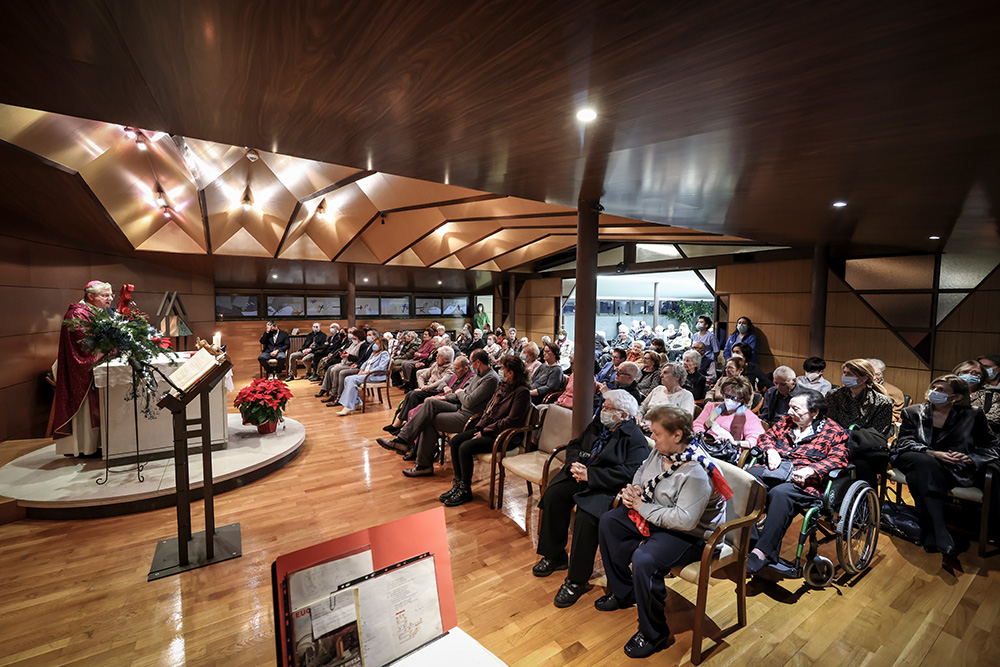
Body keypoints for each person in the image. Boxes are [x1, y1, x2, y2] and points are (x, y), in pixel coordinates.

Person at [597, 405, 731, 659]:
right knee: (609, 523)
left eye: (657, 434)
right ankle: (625, 593)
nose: (653, 438)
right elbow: (641, 472)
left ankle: (654, 633)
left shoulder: (696, 471)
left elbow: (685, 520)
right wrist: (635, 489)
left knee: (644, 559)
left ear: (677, 435)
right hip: (658, 514)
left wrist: (640, 505)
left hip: (692, 535)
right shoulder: (662, 452)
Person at [533, 390, 649, 608]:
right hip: (580, 474)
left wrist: (591, 475)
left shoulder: (634, 438)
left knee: (587, 517)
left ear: (623, 415)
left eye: (607, 408)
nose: (602, 410)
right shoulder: (599, 424)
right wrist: (575, 464)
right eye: (603, 406)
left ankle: (576, 579)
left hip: (605, 486)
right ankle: (554, 555)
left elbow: (630, 472)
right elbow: (575, 444)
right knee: (554, 495)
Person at [891, 375, 999, 557]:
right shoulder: (913, 411)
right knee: (925, 462)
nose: (935, 392)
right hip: (915, 457)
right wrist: (932, 452)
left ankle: (931, 529)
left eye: (942, 390)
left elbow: (992, 446)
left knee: (921, 475)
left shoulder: (972, 415)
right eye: (934, 387)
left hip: (950, 467)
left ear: (956, 397)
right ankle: (941, 529)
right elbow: (904, 441)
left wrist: (970, 458)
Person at [745, 391, 850, 574]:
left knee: (780, 494)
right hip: (777, 470)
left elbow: (839, 459)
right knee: (746, 481)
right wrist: (771, 451)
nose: (789, 412)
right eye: (789, 407)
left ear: (814, 412)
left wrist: (812, 470)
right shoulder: (786, 423)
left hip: (806, 481)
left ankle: (762, 552)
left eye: (795, 408)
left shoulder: (834, 431)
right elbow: (766, 438)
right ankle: (747, 539)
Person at [382, 349, 498, 475]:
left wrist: (459, 393)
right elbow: (461, 395)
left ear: (478, 363)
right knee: (430, 402)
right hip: (461, 408)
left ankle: (419, 461)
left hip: (470, 417)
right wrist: (452, 395)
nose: (470, 366)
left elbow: (469, 401)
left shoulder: (490, 378)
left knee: (429, 419)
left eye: (471, 363)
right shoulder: (479, 375)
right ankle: (404, 441)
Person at [439, 356, 532, 506]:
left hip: (505, 436)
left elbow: (511, 421)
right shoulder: (503, 386)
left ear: (510, 373)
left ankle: (465, 490)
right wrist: (480, 427)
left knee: (465, 447)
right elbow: (488, 411)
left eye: (502, 369)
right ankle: (458, 483)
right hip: (491, 429)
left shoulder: (522, 392)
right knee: (456, 441)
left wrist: (485, 431)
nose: (500, 371)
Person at [53, 280, 113, 457]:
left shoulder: (98, 312)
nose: (109, 299)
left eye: (111, 295)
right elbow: (84, 345)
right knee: (86, 408)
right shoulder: (77, 314)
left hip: (96, 366)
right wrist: (112, 347)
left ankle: (96, 445)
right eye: (105, 295)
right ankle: (84, 448)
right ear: (91, 296)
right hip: (81, 369)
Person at [826, 358, 893, 487]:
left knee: (861, 465)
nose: (844, 377)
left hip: (865, 449)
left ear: (864, 378)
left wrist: (851, 438)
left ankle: (866, 503)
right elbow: (829, 423)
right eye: (844, 373)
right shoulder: (833, 396)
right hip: (836, 444)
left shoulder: (881, 402)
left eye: (849, 374)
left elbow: (878, 433)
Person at [382, 354, 471, 436]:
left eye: (439, 356)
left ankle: (405, 431)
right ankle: (402, 425)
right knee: (411, 394)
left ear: (446, 359)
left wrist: (434, 391)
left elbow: (455, 392)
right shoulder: (440, 366)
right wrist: (425, 387)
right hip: (436, 390)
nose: (436, 358)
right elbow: (440, 383)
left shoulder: (454, 371)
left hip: (438, 393)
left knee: (418, 397)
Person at [694, 375, 766, 451]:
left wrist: (735, 443)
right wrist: (702, 435)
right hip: (703, 447)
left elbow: (756, 439)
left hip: (727, 452)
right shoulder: (711, 407)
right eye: (727, 396)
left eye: (735, 398)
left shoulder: (749, 417)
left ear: (743, 399)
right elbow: (697, 424)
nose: (729, 400)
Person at [334, 336, 390, 415]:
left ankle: (348, 406)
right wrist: (361, 370)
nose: (375, 345)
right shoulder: (374, 353)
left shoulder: (384, 354)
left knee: (352, 379)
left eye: (377, 343)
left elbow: (381, 367)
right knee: (347, 379)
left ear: (382, 345)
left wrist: (367, 372)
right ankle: (357, 402)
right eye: (375, 343)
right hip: (367, 374)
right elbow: (366, 362)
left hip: (375, 376)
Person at [639, 361, 695, 428]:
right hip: (642, 425)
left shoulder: (686, 395)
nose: (661, 375)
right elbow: (642, 407)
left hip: (663, 432)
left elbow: (684, 421)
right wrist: (638, 417)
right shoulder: (658, 389)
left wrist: (655, 427)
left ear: (677, 377)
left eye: (665, 373)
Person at [954, 359, 1000, 434]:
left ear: (982, 376)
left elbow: (996, 418)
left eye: (975, 373)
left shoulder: (992, 396)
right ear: (958, 373)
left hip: (980, 441)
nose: (969, 375)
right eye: (965, 372)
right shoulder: (948, 393)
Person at [867, 358, 905, 422]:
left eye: (878, 374)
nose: (874, 377)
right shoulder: (857, 388)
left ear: (882, 374)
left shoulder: (896, 392)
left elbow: (895, 415)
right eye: (871, 374)